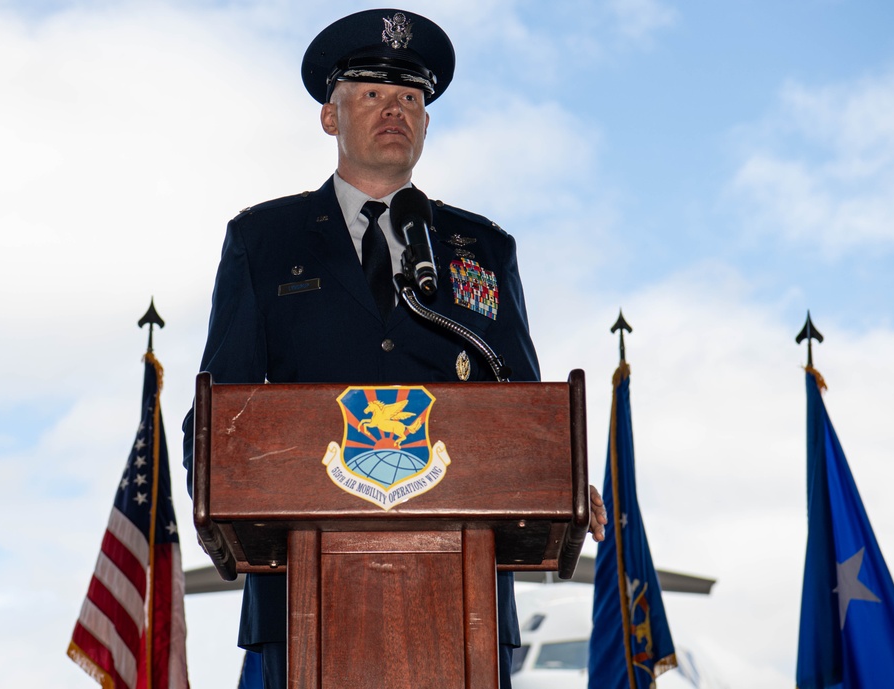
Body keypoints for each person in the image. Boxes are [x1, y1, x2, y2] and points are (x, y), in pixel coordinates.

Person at [183, 9, 607, 689]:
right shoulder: (264, 240)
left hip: (459, 606)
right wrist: (209, 494)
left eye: (411, 98)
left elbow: (522, 400)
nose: (395, 110)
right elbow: (219, 406)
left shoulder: (481, 249)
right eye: (373, 93)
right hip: (298, 598)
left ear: (428, 125)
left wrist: (558, 471)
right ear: (331, 116)